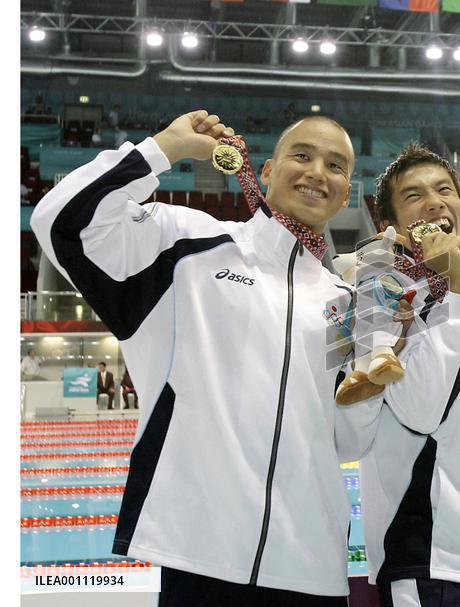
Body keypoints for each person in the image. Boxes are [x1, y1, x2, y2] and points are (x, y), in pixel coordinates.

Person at [31, 110, 386, 606]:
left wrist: (371, 383)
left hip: (311, 567)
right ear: (266, 170)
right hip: (202, 558)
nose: (316, 172)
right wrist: (165, 147)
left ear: (347, 191)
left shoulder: (344, 301)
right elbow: (59, 220)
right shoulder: (187, 246)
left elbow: (346, 440)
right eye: (301, 156)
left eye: (335, 165)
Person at [349, 143, 460, 607]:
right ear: (390, 224)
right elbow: (421, 409)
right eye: (413, 196)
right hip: (428, 558)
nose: (434, 202)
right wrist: (457, 292)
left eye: (444, 189)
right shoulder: (377, 295)